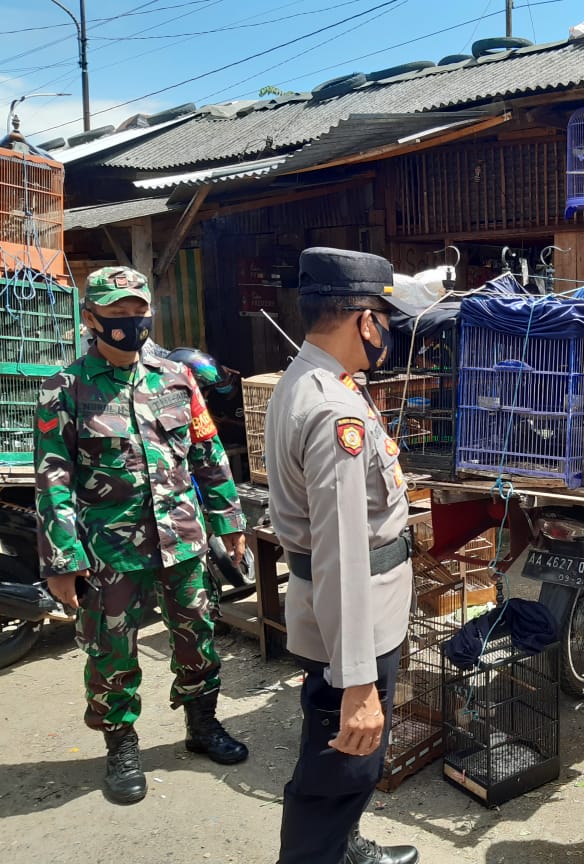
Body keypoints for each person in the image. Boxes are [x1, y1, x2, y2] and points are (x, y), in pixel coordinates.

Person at [34, 266, 249, 806]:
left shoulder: (176, 378)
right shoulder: (66, 388)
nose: (131, 323)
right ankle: (120, 745)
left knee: (197, 639)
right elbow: (53, 480)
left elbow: (208, 453)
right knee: (111, 654)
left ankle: (202, 727)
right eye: (117, 314)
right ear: (92, 319)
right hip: (110, 551)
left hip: (182, 541)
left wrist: (229, 522)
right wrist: (62, 559)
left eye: (138, 312)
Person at [264, 248, 419, 864]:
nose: (387, 330)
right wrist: (356, 680)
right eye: (384, 315)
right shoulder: (334, 410)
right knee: (340, 765)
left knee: (348, 761)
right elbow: (342, 552)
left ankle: (344, 847)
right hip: (353, 623)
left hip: (345, 615)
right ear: (363, 320)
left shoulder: (309, 381)